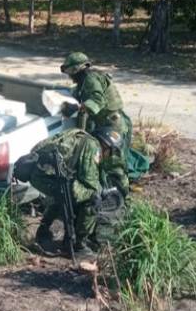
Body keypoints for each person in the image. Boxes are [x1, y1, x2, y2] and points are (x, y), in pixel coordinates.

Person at [15, 128, 105, 259]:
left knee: (64, 195)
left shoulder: (81, 136)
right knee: (92, 197)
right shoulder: (92, 146)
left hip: (39, 174)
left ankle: (43, 233)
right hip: (45, 176)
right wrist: (100, 190)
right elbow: (89, 182)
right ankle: (77, 245)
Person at [59, 52, 131, 195]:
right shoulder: (84, 82)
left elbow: (98, 100)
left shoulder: (91, 79)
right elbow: (78, 93)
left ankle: (122, 197)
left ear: (76, 70)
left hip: (113, 125)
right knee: (102, 162)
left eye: (70, 72)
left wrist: (79, 107)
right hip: (103, 125)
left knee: (114, 164)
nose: (69, 76)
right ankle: (108, 192)